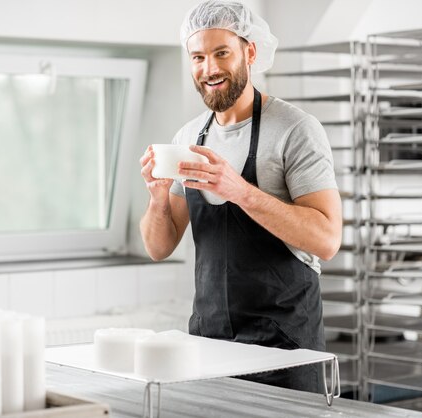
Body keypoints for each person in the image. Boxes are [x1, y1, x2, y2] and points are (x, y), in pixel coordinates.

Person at [139, 0, 342, 393]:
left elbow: (327, 240)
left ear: (249, 52)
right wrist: (158, 197)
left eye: (221, 53)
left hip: (285, 353)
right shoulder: (188, 138)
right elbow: (158, 247)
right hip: (209, 349)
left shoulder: (295, 129)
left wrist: (239, 191)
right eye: (198, 56)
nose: (209, 68)